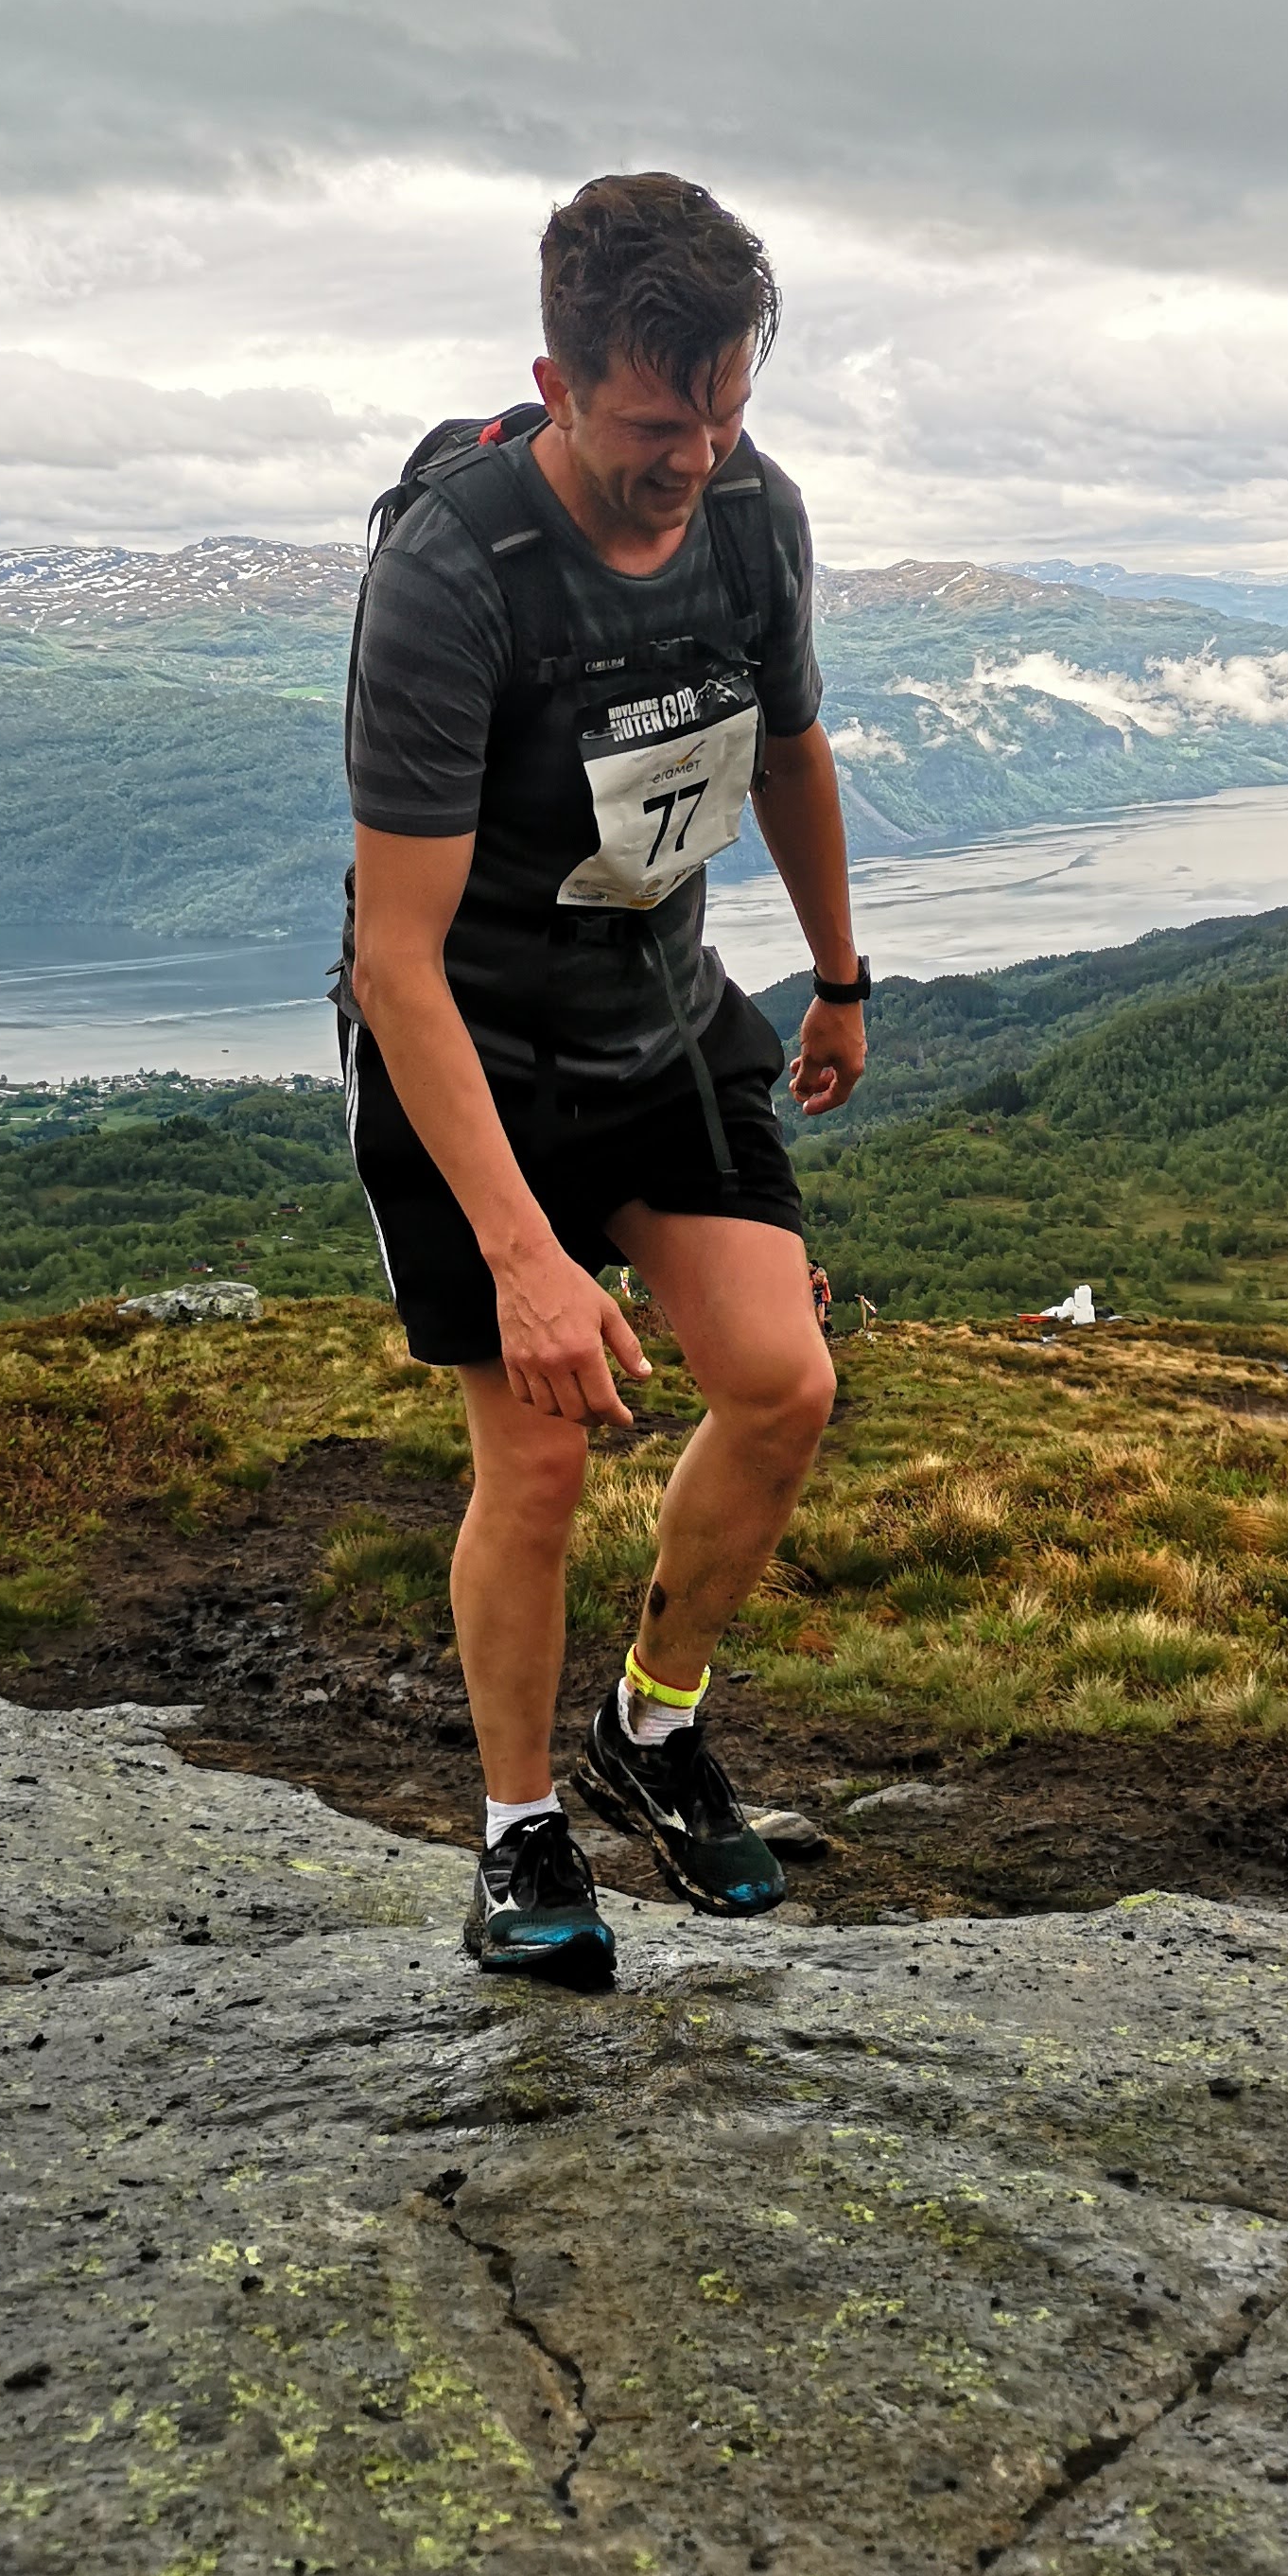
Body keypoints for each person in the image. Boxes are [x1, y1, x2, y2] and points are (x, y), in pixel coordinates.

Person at [338, 172, 869, 1988]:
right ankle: (515, 1835)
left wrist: (839, 979)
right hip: (472, 1055)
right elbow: (395, 960)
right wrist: (526, 1260)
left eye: (725, 412)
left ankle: (649, 1729)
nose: (695, 459)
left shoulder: (751, 514)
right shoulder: (455, 574)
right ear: (555, 385)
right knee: (540, 1458)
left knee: (782, 1383)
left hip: (661, 1015)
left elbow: (788, 749)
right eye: (656, 425)